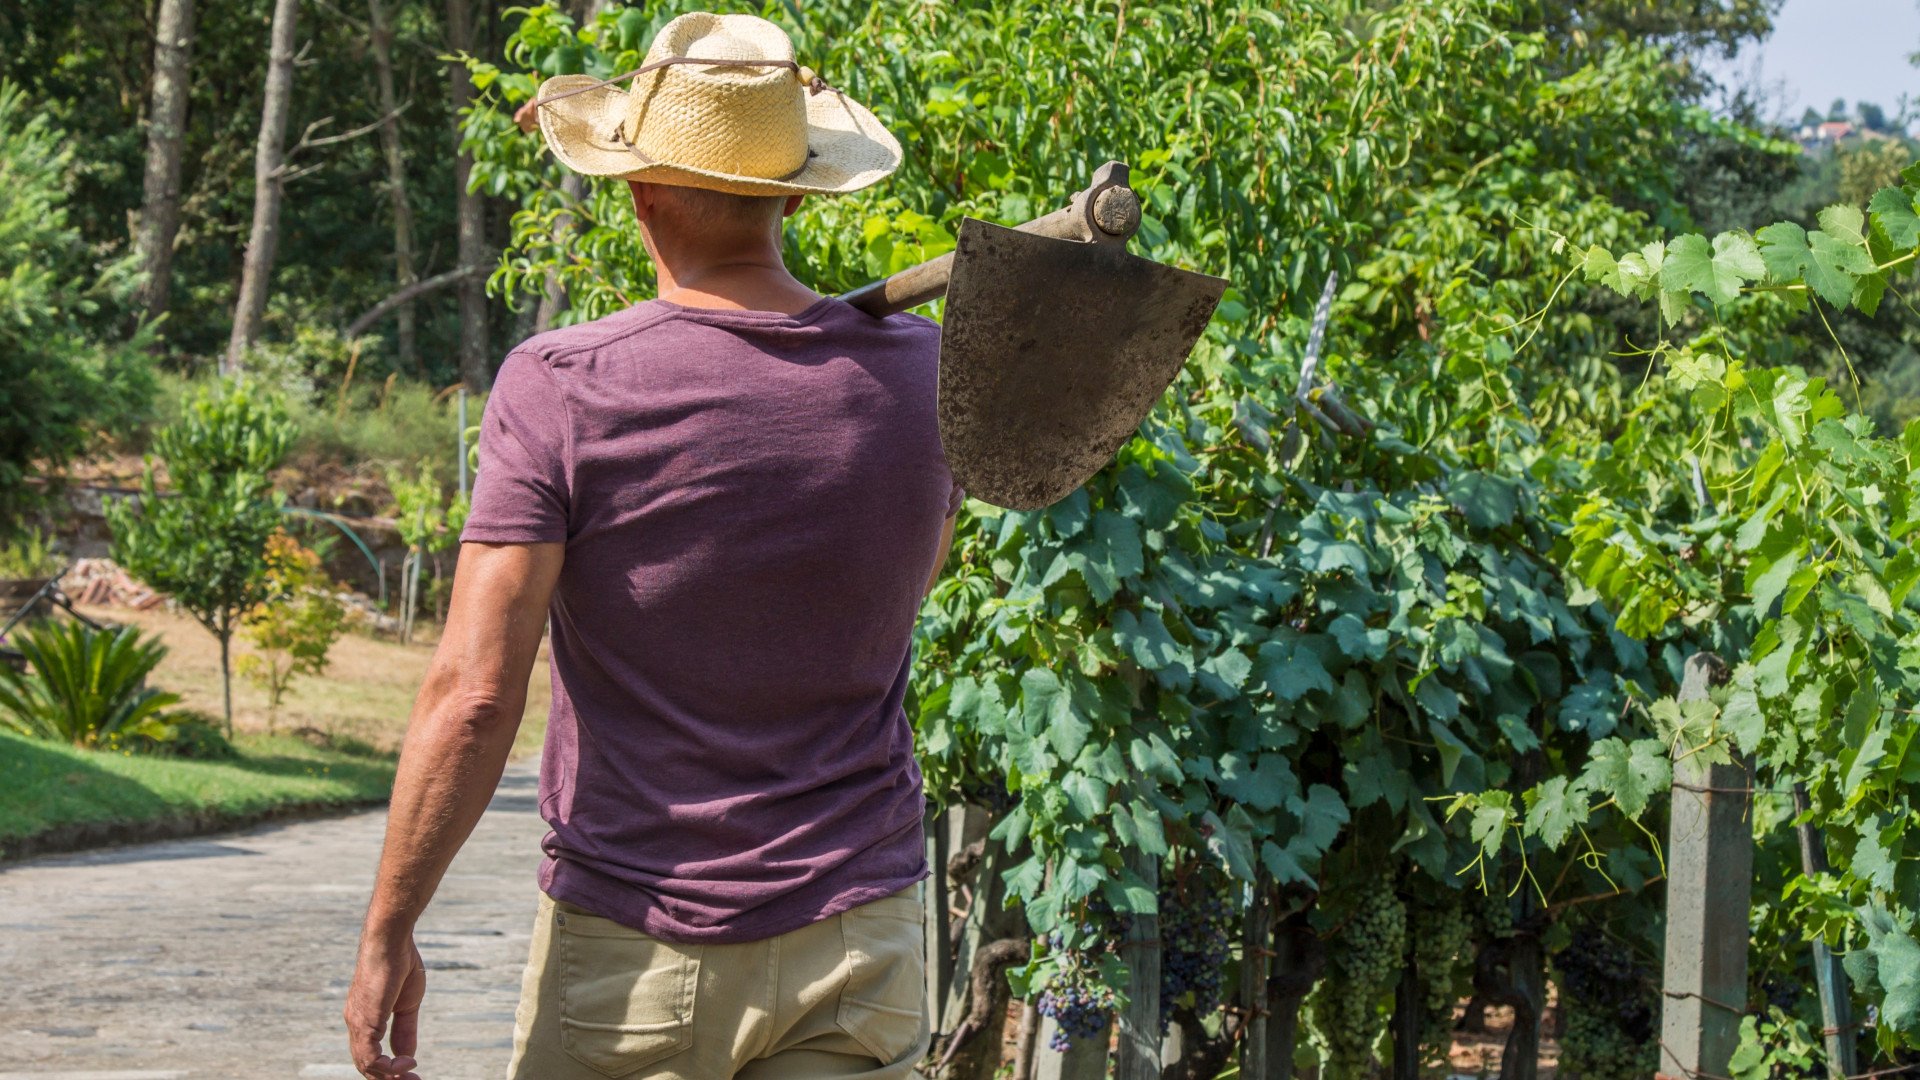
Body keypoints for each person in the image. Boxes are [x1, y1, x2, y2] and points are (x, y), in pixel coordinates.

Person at [344, 13, 958, 1079]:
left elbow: (477, 695)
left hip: (637, 942)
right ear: (790, 190)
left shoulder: (568, 387)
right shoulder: (919, 376)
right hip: (862, 938)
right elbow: (912, 575)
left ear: (637, 192)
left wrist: (388, 928)